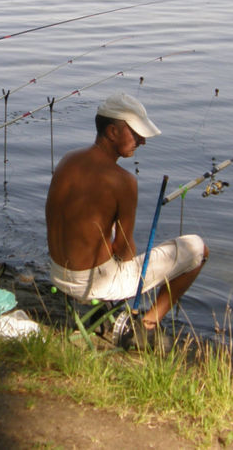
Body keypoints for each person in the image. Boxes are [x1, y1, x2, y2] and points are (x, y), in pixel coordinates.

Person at [45, 92, 208, 349]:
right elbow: (125, 250)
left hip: (57, 273)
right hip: (92, 285)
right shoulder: (123, 181)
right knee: (198, 248)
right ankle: (148, 324)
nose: (142, 141)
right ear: (112, 131)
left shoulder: (68, 160)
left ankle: (110, 315)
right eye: (135, 133)